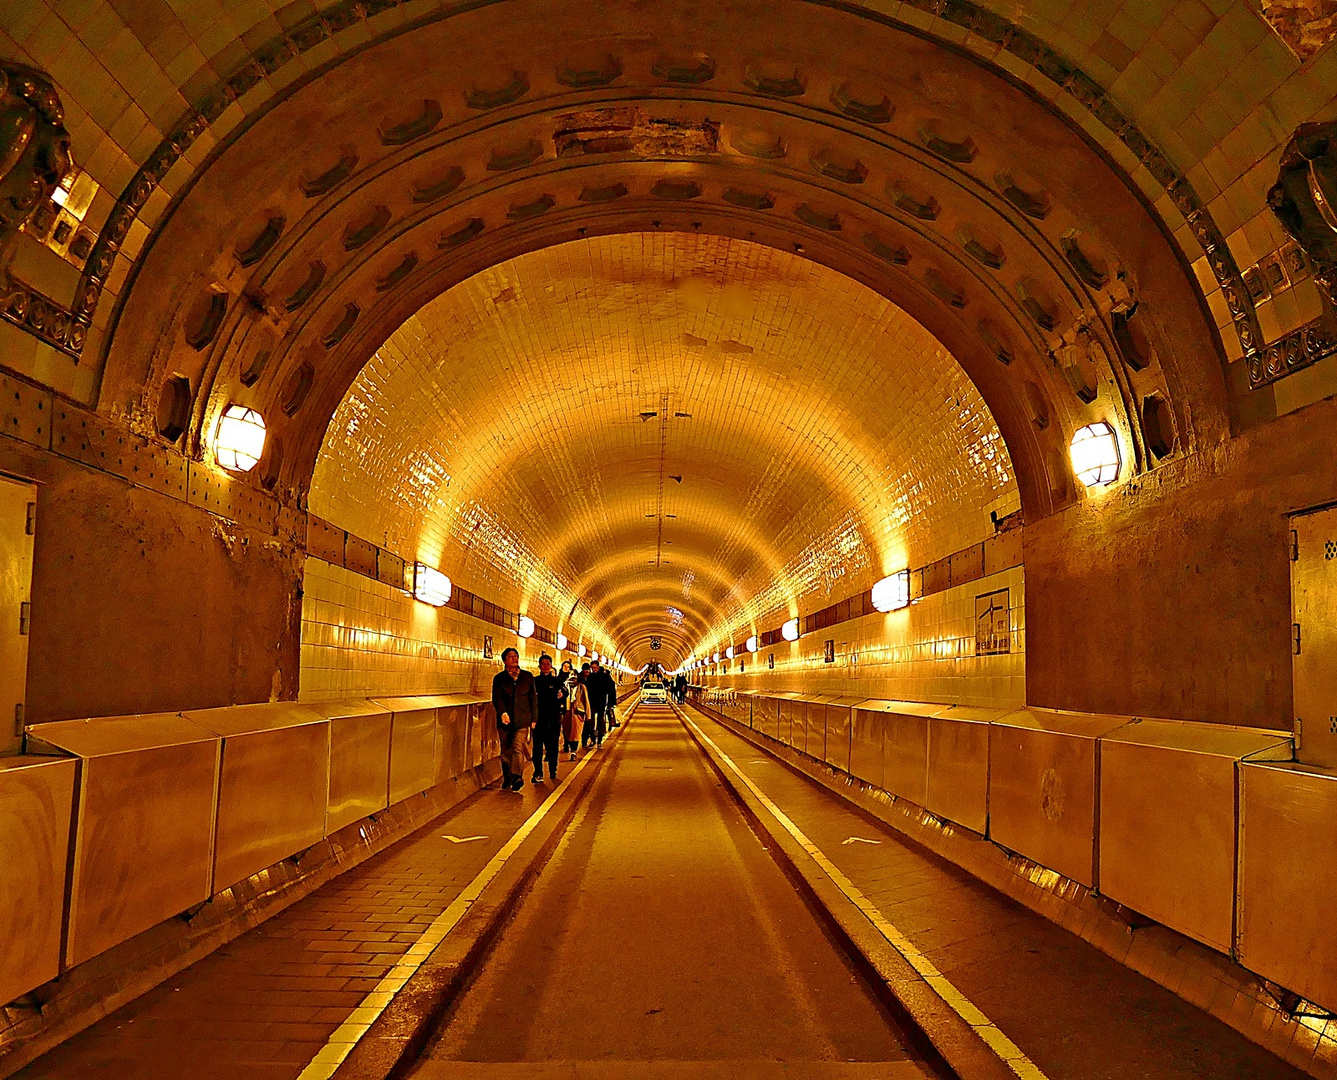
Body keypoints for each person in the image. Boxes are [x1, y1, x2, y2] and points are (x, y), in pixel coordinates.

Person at [491, 647, 536, 792]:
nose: (514, 658)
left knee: (517, 747)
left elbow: (533, 699)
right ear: (504, 660)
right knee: (506, 750)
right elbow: (496, 698)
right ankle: (507, 777)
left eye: (515, 656)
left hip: (522, 719)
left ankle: (517, 776)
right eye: (510, 656)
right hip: (505, 720)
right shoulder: (499, 678)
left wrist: (534, 718)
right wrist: (502, 712)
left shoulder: (527, 677)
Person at [533, 653, 563, 783]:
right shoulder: (534, 681)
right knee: (537, 747)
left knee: (553, 747)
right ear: (539, 666)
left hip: (553, 719)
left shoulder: (557, 681)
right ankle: (538, 771)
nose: (545, 666)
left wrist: (563, 694)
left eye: (548, 664)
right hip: (538, 719)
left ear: (551, 666)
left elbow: (565, 692)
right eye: (543, 664)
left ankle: (553, 770)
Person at [562, 659, 588, 760]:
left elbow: (586, 701)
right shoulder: (564, 686)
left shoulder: (581, 687)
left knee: (576, 733)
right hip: (567, 712)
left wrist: (588, 715)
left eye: (574, 675)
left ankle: (573, 751)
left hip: (578, 712)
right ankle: (568, 745)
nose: (573, 677)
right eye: (571, 674)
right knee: (567, 731)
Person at [588, 659, 617, 745]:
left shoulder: (604, 677)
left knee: (600, 720)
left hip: (601, 701)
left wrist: (611, 702)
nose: (594, 669)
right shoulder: (590, 677)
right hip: (592, 701)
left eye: (595, 668)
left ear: (598, 667)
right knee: (591, 721)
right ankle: (593, 738)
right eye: (592, 668)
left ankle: (599, 739)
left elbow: (611, 689)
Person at [579, 663, 597, 749]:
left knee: (590, 722)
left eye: (588, 669)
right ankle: (584, 741)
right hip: (581, 704)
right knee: (584, 724)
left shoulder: (593, 678)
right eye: (585, 669)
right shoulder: (579, 679)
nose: (587, 671)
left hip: (591, 704)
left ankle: (592, 739)